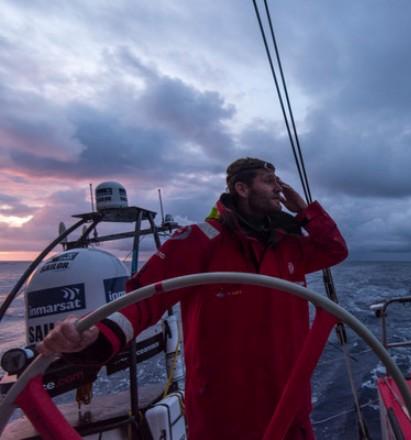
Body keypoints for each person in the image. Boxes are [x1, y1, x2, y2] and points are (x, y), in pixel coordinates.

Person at [38, 157, 349, 439]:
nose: (279, 187)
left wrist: (306, 211)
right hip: (225, 413)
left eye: (278, 181)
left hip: (291, 399)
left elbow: (335, 250)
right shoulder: (198, 241)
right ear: (241, 188)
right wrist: (96, 336)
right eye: (269, 181)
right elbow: (145, 298)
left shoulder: (288, 244)